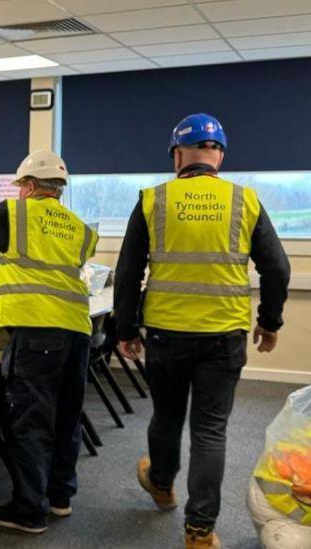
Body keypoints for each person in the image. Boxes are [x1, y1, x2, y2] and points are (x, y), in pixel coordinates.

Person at [114, 113, 291, 549]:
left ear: (177, 155)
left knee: (167, 416)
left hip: (166, 334)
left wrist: (125, 328)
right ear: (220, 156)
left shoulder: (154, 199)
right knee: (210, 431)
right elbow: (278, 268)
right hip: (223, 338)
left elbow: (127, 272)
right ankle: (199, 532)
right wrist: (269, 323)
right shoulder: (244, 200)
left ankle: (160, 483)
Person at [0, 150, 98, 534]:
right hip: (77, 329)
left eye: (20, 187)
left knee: (30, 420)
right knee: (67, 416)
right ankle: (60, 497)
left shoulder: (16, 215)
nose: (17, 193)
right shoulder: (80, 228)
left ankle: (29, 509)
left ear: (30, 187)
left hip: (37, 334)